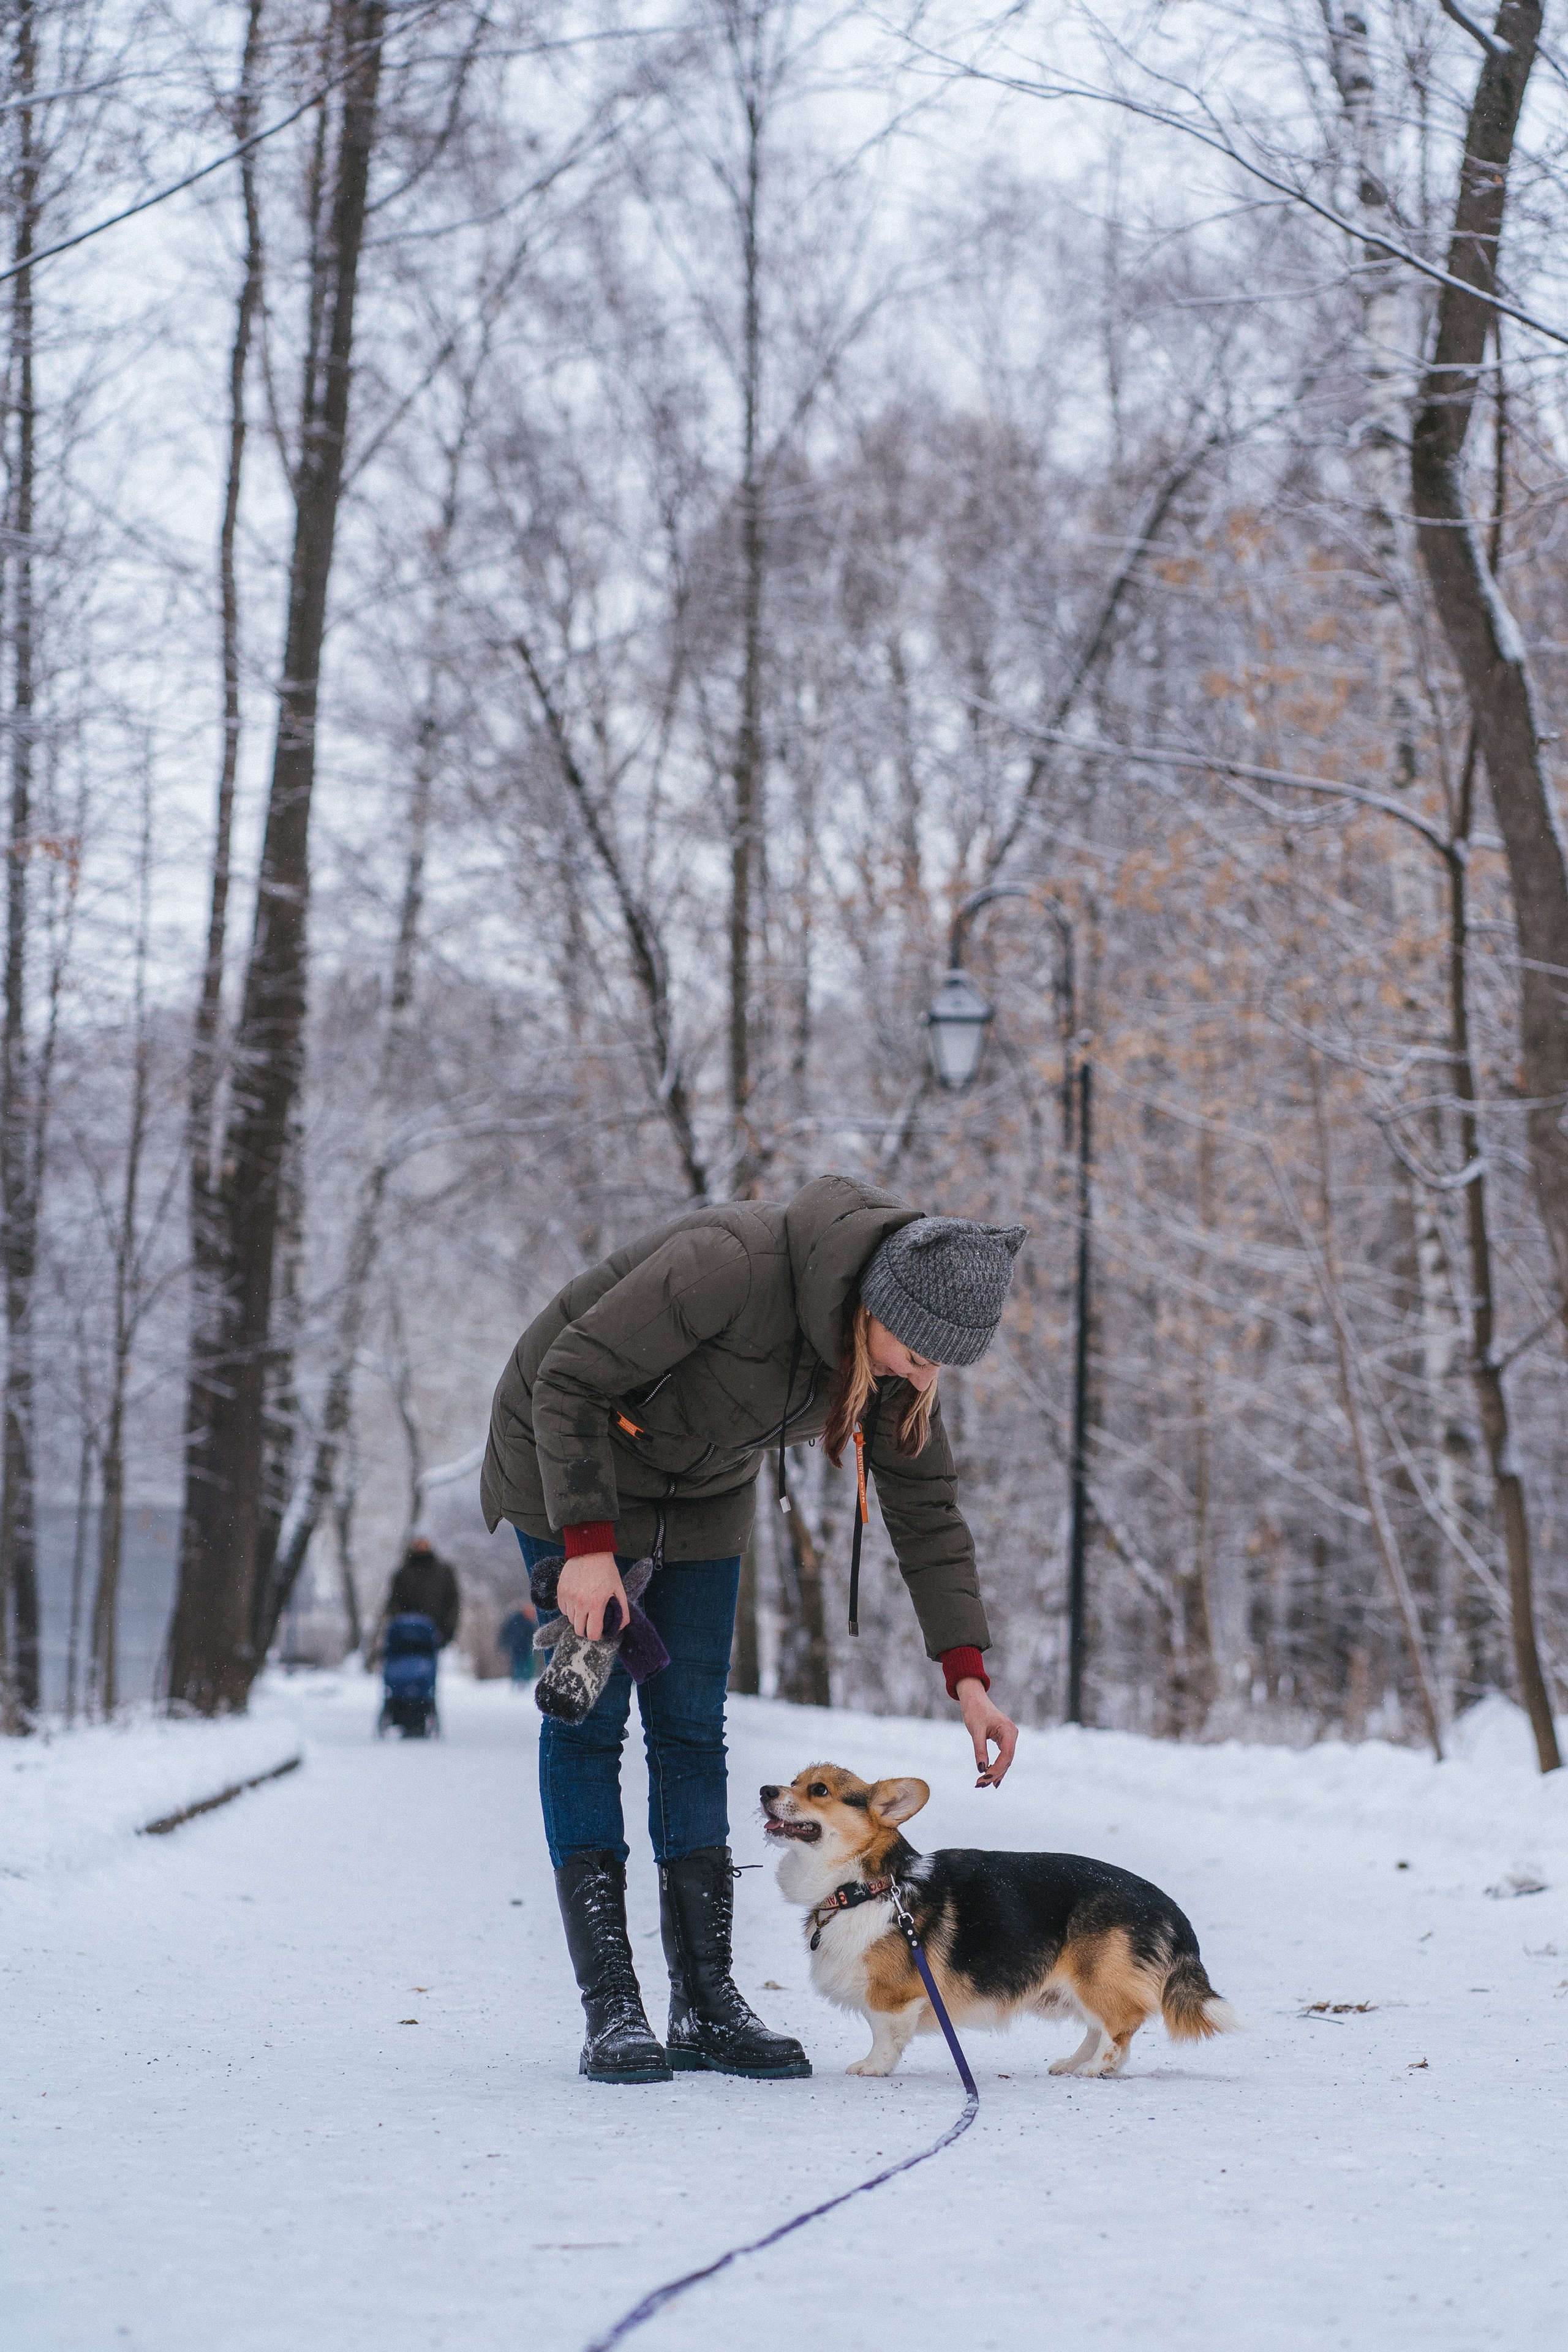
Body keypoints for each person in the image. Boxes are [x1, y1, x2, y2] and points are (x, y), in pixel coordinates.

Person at [480, 1172, 1025, 2087]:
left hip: (699, 1498)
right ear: (872, 1306)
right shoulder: (728, 1266)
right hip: (567, 1467)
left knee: (691, 1730)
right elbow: (567, 1378)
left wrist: (967, 1675)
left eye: (942, 1364)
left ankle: (705, 2003)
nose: (922, 1376)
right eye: (918, 1352)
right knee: (590, 1720)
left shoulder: (890, 1361)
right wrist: (585, 1546)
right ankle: (613, 2006)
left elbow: (926, 1509)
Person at [378, 1534, 461, 1649]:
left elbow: (453, 1602)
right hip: (406, 1637)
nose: (421, 1546)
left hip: (436, 1636)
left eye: (424, 1542)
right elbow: (394, 1603)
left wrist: (447, 1630)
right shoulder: (402, 1574)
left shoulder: (444, 1572)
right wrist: (402, 1627)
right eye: (418, 1542)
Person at [498, 1600, 540, 1684]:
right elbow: (506, 1632)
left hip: (526, 1647)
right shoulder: (515, 1620)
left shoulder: (530, 1622)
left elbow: (533, 1635)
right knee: (517, 1665)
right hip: (516, 1647)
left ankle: (526, 1682)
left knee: (527, 1665)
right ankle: (516, 1682)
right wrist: (505, 1644)